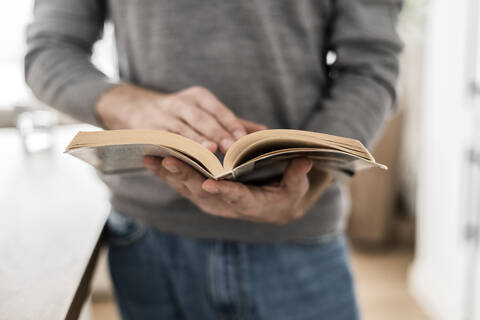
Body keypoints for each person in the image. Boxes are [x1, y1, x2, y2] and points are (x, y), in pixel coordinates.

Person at [25, 1, 402, 319]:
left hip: (297, 238)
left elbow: (370, 65)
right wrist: (134, 105)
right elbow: (50, 50)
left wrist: (311, 182)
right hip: (147, 242)